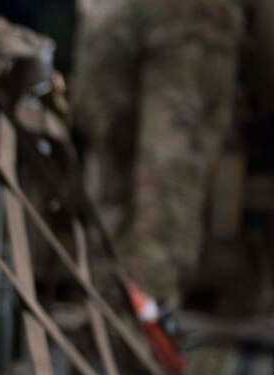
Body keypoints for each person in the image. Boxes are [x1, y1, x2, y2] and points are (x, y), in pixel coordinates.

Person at [72, 0, 243, 308]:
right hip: (153, 17)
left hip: (136, 16)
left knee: (142, 180)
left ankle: (131, 313)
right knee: (139, 177)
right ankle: (128, 313)